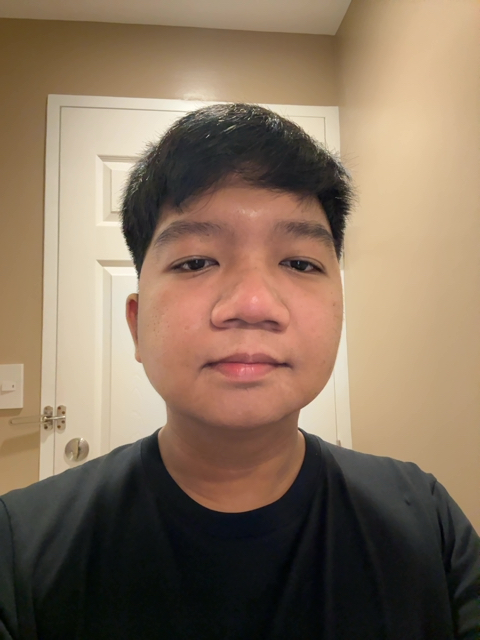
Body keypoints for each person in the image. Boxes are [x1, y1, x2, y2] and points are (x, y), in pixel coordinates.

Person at [0, 103, 478, 640]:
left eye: (299, 263)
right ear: (135, 325)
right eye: (195, 261)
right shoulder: (19, 548)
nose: (253, 304)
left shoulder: (425, 519)